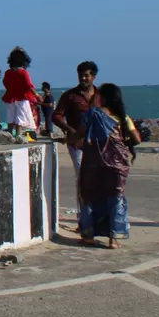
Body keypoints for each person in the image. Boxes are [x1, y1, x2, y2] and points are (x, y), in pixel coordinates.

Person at [73, 83, 140, 249]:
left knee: (89, 195)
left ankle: (88, 235)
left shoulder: (93, 115)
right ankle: (114, 238)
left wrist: (68, 139)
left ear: (102, 97)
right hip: (117, 165)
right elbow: (137, 139)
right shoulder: (123, 118)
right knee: (115, 197)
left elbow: (80, 132)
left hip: (93, 163)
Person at [54, 61, 100, 209]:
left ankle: (97, 214)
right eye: (81, 76)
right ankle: (83, 218)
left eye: (86, 76)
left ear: (93, 76)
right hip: (77, 144)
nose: (83, 79)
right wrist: (71, 130)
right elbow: (56, 116)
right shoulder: (70, 96)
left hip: (99, 144)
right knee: (82, 178)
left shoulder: (101, 96)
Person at [1, 48, 39, 139]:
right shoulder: (23, 73)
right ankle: (18, 136)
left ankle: (9, 135)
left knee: (10, 116)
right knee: (20, 117)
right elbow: (29, 85)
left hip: (10, 97)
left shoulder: (8, 73)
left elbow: (5, 83)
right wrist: (37, 95)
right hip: (21, 97)